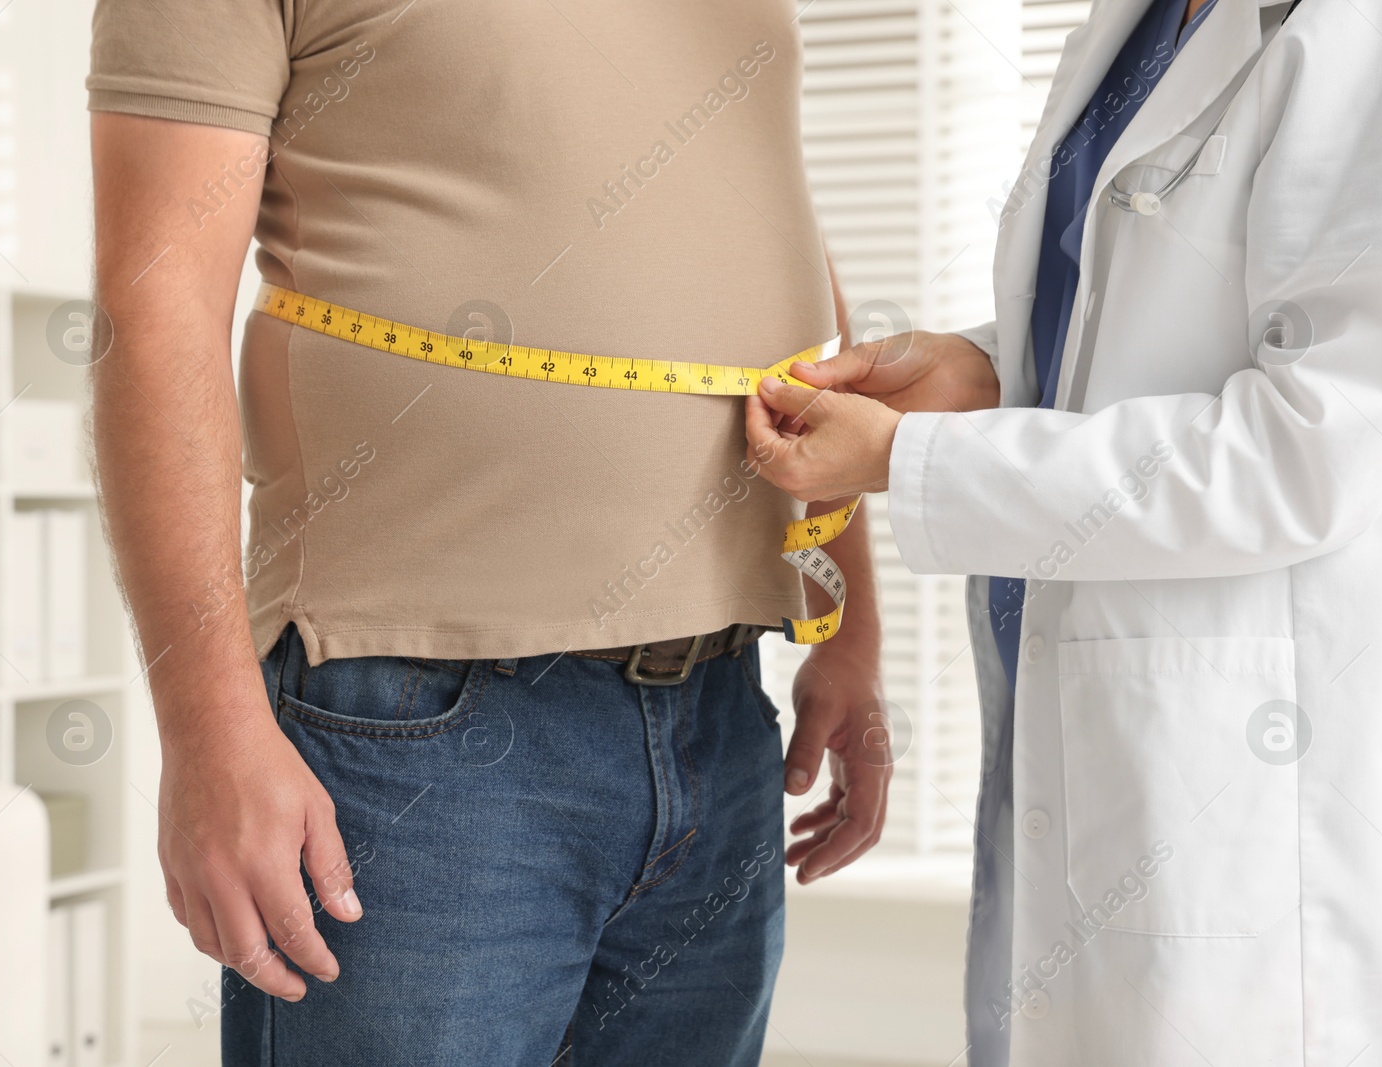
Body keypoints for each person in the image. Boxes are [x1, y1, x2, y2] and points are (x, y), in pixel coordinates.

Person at [85, 2, 888, 1064]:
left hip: (722, 706)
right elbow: (153, 310)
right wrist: (204, 731)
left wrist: (850, 625)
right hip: (409, 726)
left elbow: (781, 270)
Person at [747, 0, 1382, 1064]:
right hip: (1097, 748)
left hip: (1262, 808)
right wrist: (991, 371)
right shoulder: (1139, 22)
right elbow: (1138, 326)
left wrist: (906, 461)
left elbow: (1312, 446)